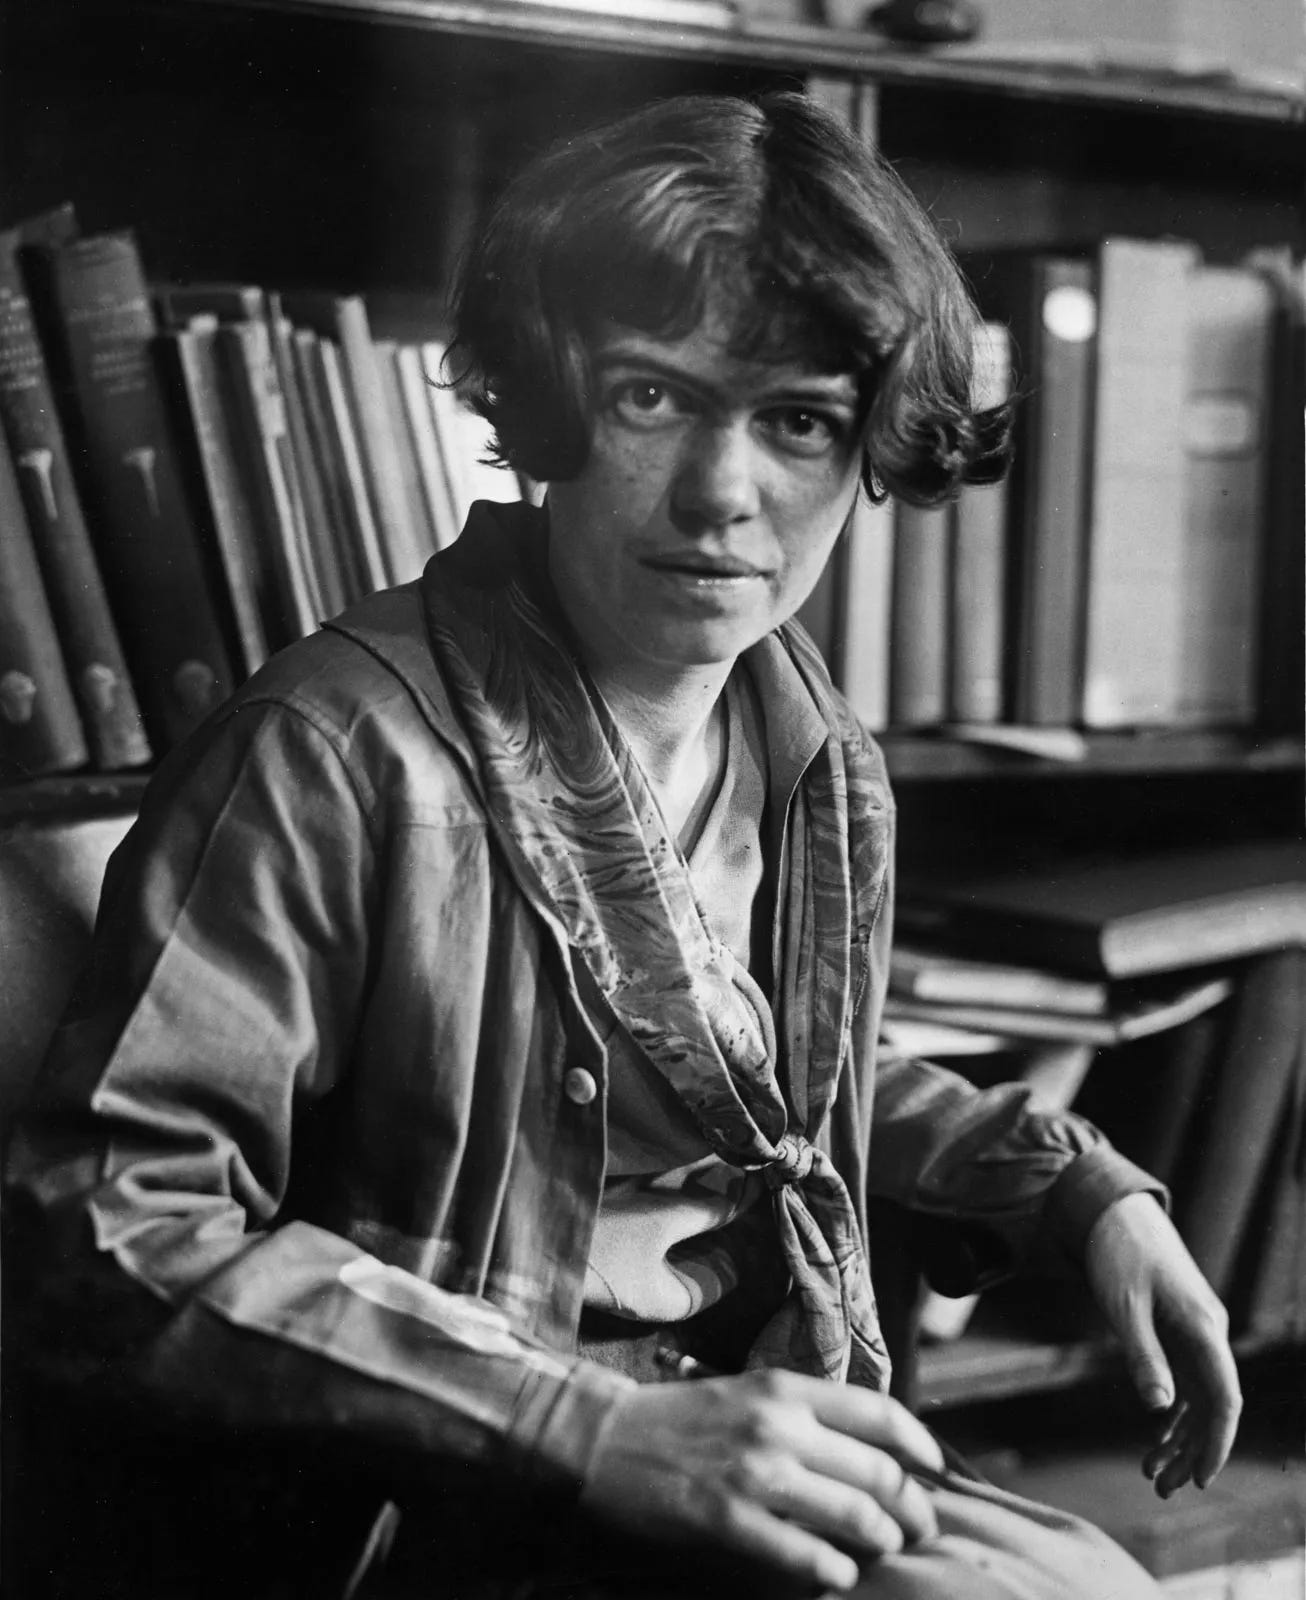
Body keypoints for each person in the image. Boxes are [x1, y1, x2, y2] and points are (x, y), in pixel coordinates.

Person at [4, 91, 1240, 1600]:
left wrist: (1065, 1186)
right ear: (546, 404)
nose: (723, 496)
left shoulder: (813, 751)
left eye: (798, 421)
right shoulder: (331, 753)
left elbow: (753, 1079)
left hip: (768, 1412)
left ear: (870, 452)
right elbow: (103, 1232)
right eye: (654, 398)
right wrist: (586, 1426)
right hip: (440, 1495)